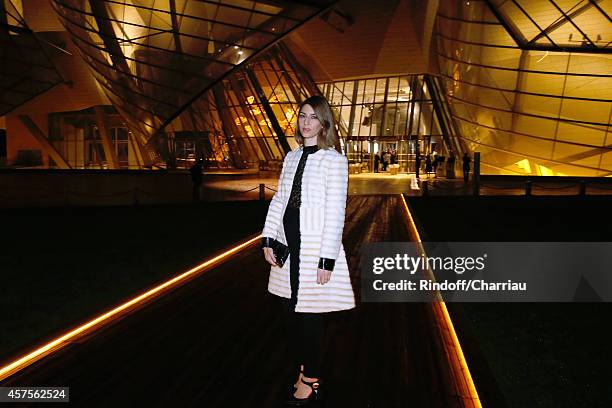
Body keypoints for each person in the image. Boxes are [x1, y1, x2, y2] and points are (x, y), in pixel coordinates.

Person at [261, 95, 355, 405]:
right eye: (302, 115)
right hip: (287, 245)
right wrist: (267, 238)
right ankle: (304, 367)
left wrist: (326, 259)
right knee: (290, 315)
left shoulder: (334, 161)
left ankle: (311, 379)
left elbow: (335, 211)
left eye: (313, 117)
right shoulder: (291, 157)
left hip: (314, 249)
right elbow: (280, 200)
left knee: (310, 316)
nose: (306, 121)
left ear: (324, 123)